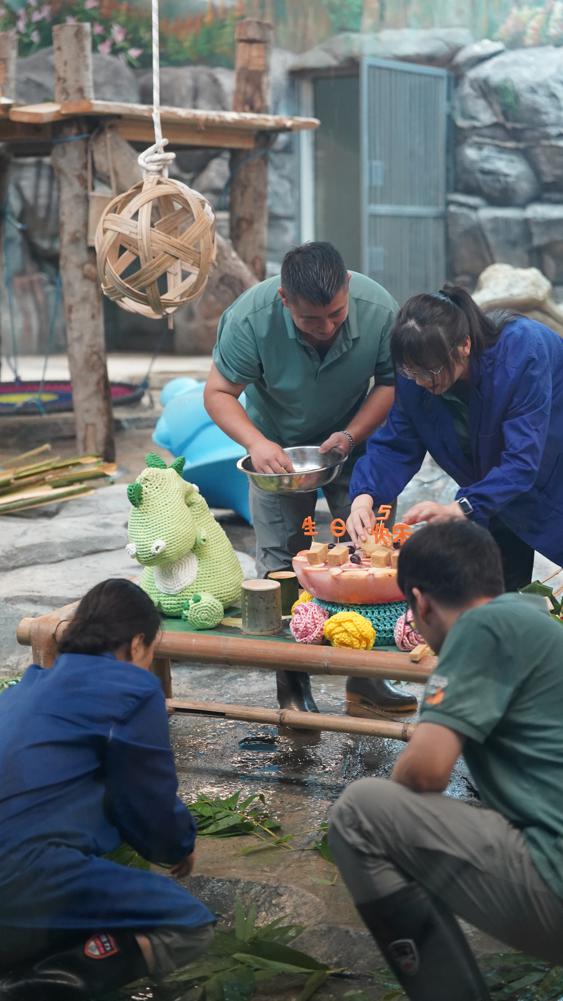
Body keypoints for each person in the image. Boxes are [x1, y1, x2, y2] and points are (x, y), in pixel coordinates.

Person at [328, 521, 563, 1001]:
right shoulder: (531, 617)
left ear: (421, 602)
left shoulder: (481, 625)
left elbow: (426, 772)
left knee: (361, 813)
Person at [204, 240, 416, 717]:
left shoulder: (379, 309)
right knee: (282, 561)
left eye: (336, 315)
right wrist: (257, 444)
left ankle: (367, 683)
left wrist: (351, 434)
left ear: (346, 287)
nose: (326, 328)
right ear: (284, 300)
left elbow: (390, 384)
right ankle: (292, 685)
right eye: (310, 320)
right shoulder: (250, 318)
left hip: (354, 441)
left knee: (373, 554)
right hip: (277, 452)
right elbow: (218, 392)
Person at [0, 579, 214, 1001]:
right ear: (137, 645)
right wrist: (178, 844)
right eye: (152, 654)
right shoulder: (131, 689)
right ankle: (31, 989)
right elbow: (145, 796)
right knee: (189, 924)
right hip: (22, 869)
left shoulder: (25, 689)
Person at [347, 286, 563, 589]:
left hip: (551, 476)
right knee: (497, 595)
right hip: (493, 495)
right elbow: (396, 446)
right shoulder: (415, 377)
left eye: (431, 371)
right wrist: (363, 497)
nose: (421, 382)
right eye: (411, 372)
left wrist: (459, 508)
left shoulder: (521, 353)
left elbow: (522, 460)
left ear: (465, 345)